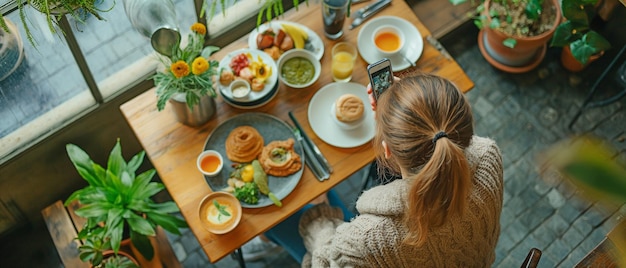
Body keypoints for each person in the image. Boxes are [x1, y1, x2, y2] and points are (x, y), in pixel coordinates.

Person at [268, 73, 504, 267]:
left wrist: (319, 217)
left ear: (387, 150)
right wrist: (408, 106)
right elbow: (456, 139)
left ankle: (261, 246)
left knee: (278, 217)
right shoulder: (488, 157)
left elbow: (326, 263)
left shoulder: (367, 240)